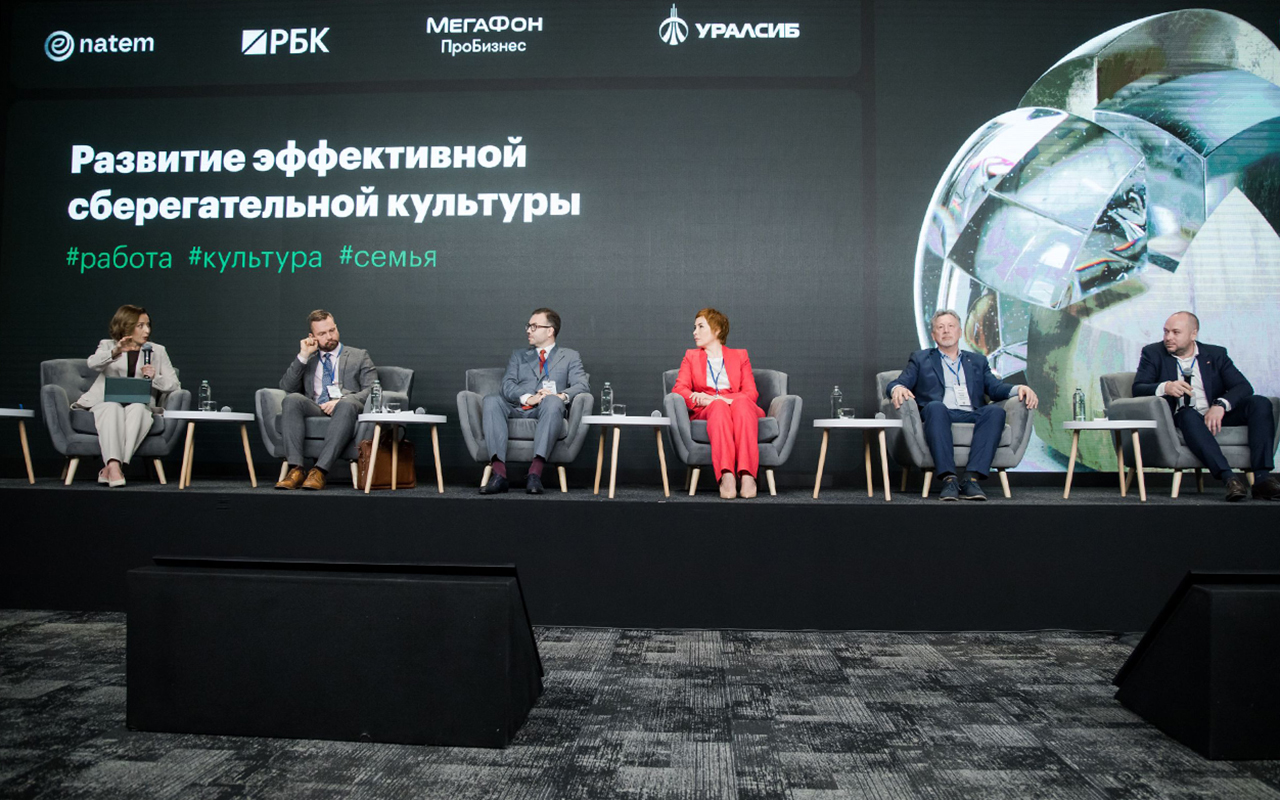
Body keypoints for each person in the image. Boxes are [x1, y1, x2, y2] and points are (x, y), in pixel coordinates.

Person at [887, 309, 1038, 501]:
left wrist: (1019, 388)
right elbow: (896, 383)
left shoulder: (977, 361)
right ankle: (949, 479)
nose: (946, 331)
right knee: (935, 406)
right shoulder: (920, 359)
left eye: (951, 326)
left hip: (970, 413)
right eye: (940, 327)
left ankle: (971, 479)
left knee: (994, 412)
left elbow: (995, 388)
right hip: (939, 414)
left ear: (959, 332)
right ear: (933, 335)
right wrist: (897, 388)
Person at [1133, 311, 1279, 502]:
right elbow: (1138, 388)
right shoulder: (1153, 353)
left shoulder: (1216, 354)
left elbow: (1243, 386)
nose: (1168, 337)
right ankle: (1229, 478)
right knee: (1187, 414)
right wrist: (1165, 387)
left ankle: (1262, 479)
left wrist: (1220, 405)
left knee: (1260, 403)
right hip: (1183, 417)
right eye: (1166, 331)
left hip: (1215, 414)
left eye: (1176, 332)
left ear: (1193, 334)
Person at [481, 308, 591, 495]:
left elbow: (582, 385)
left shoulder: (570, 356)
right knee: (491, 400)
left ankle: (535, 473)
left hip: (548, 409)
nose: (528, 330)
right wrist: (528, 397)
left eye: (534, 326)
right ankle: (499, 475)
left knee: (553, 402)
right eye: (528, 326)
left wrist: (560, 396)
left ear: (550, 331)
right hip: (517, 407)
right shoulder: (518, 355)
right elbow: (507, 384)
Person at [72, 304, 181, 487]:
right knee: (112, 408)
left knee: (139, 410)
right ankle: (115, 466)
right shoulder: (108, 345)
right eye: (140, 326)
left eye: (148, 325)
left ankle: (111, 468)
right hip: (105, 402)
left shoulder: (157, 351)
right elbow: (93, 364)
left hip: (140, 404)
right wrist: (115, 351)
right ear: (126, 326)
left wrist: (155, 378)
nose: (147, 331)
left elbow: (175, 385)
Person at [275, 310, 377, 491]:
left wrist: (342, 400)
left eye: (332, 330)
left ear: (336, 327)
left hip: (346, 408)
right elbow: (287, 387)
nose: (329, 337)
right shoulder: (310, 359)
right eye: (322, 333)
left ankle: (319, 471)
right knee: (292, 399)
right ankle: (296, 470)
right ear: (312, 337)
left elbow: (372, 389)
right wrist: (303, 356)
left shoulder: (359, 355)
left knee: (346, 404)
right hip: (316, 406)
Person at [673, 308, 765, 499]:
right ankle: (726, 475)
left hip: (738, 403)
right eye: (694, 327)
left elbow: (751, 393)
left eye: (700, 327)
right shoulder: (691, 356)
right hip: (708, 407)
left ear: (716, 330)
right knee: (718, 407)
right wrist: (700, 397)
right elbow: (679, 389)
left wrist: (721, 398)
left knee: (741, 403)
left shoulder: (740, 356)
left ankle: (748, 475)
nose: (695, 332)